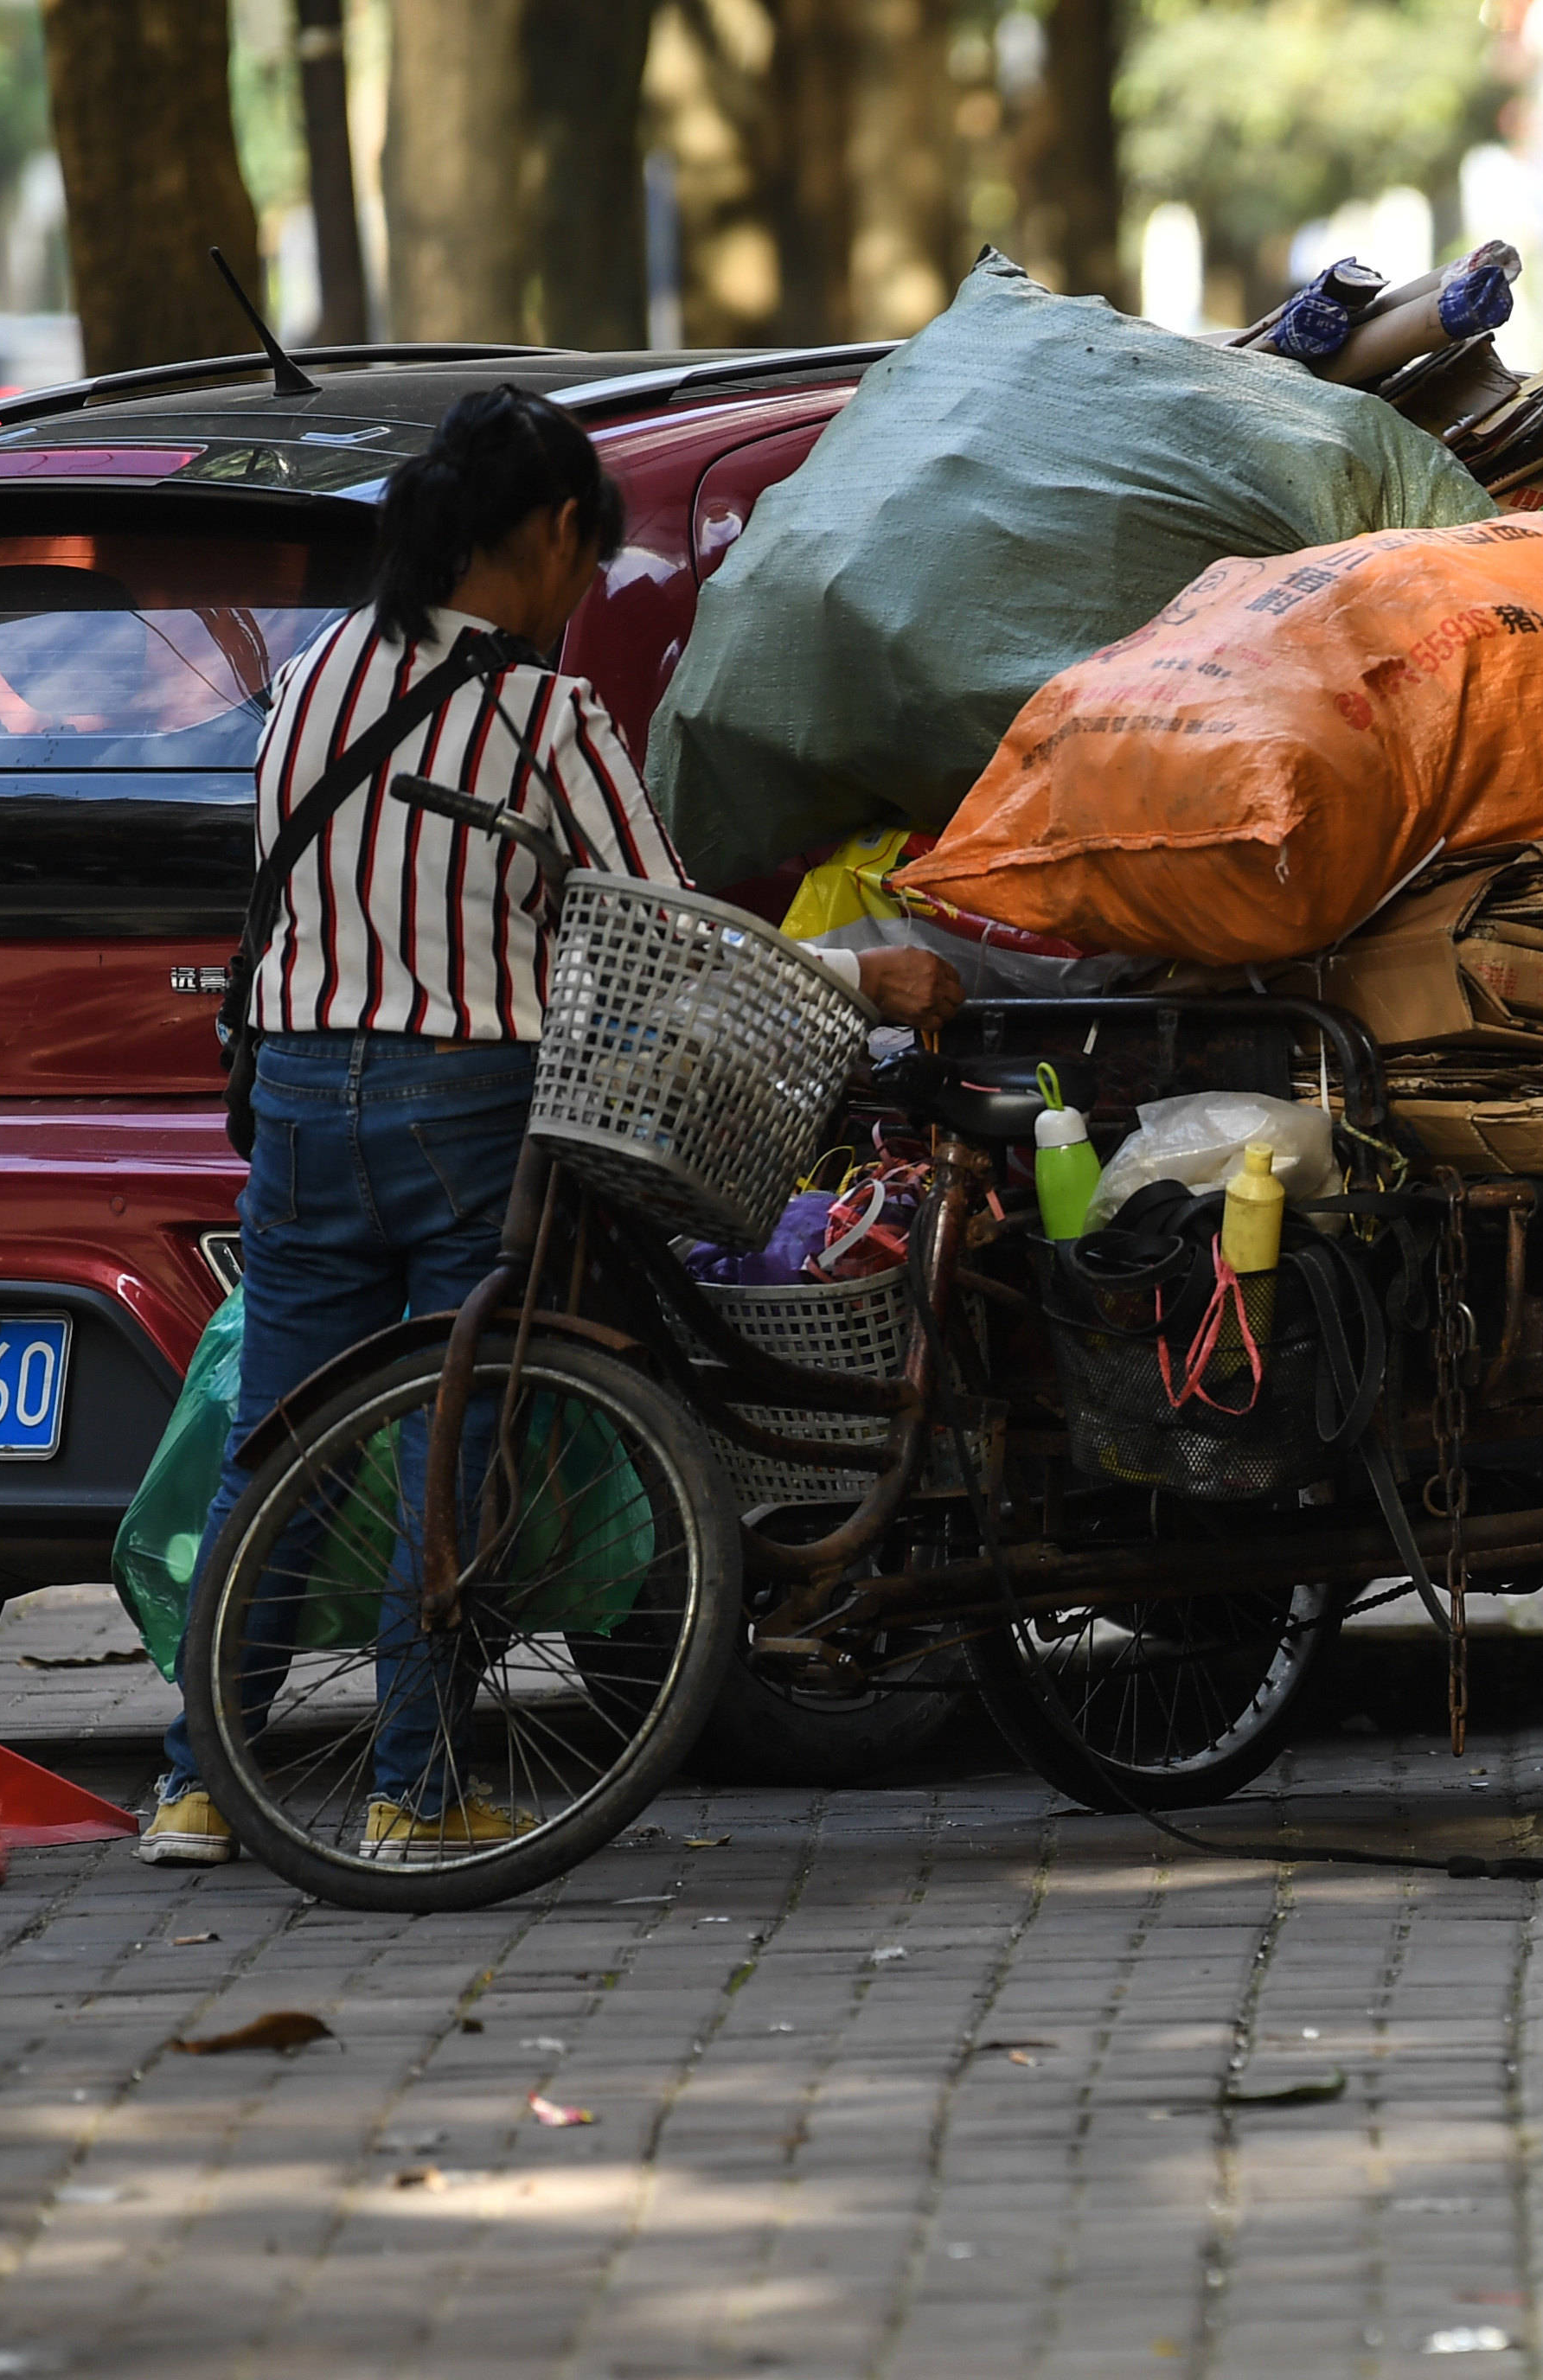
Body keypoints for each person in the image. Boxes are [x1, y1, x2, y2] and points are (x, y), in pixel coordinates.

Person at [141, 386, 960, 1867]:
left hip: (300, 1097)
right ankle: (417, 1777)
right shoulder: (539, 711)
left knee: (284, 1444)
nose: (587, 595)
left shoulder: (314, 683)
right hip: (465, 1105)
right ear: (553, 533)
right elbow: (667, 935)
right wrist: (867, 972)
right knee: (456, 1443)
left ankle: (201, 1778)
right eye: (589, 567)